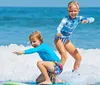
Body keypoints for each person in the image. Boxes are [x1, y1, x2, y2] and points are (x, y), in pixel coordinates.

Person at [54, 1, 95, 72]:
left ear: (78, 11)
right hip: (59, 39)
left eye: (75, 11)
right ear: (68, 11)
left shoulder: (78, 18)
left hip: (66, 40)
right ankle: (54, 74)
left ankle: (74, 74)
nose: (73, 13)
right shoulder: (66, 19)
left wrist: (87, 21)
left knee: (78, 58)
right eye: (71, 11)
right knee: (64, 56)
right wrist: (58, 32)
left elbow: (93, 19)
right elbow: (60, 26)